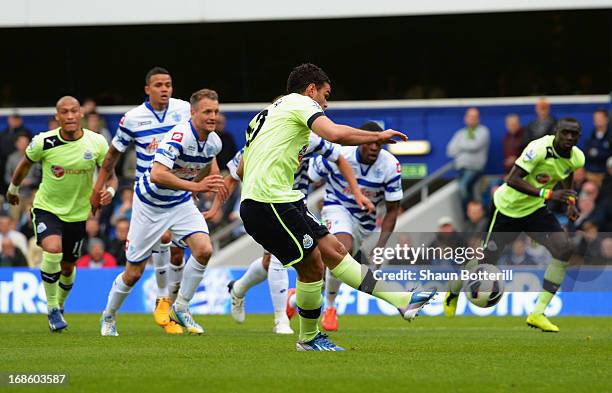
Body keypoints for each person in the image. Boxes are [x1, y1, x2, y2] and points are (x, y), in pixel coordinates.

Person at [238, 63, 436, 351]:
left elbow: (243, 168)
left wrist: (276, 168)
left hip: (281, 199)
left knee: (335, 252)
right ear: (310, 90)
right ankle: (308, 338)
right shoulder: (299, 103)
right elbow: (335, 134)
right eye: (325, 95)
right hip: (270, 202)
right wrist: (377, 136)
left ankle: (402, 300)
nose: (325, 103)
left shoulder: (266, 114)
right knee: (312, 267)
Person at [100, 88, 227, 337]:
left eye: (215, 111)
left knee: (204, 249)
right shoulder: (178, 137)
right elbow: (157, 174)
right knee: (133, 273)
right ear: (192, 113)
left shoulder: (214, 141)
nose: (212, 116)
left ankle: (181, 307)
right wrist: (195, 186)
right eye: (207, 112)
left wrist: (205, 193)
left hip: (179, 202)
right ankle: (109, 316)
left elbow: (208, 166)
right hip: (149, 205)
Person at [221, 129, 371, 334]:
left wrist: (355, 192)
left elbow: (338, 156)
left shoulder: (308, 138)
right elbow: (234, 174)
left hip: (296, 205)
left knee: (272, 261)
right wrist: (216, 208)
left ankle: (238, 288)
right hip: (265, 204)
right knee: (275, 258)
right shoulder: (260, 138)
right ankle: (281, 319)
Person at [444, 118, 584, 333]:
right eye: (565, 133)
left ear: (578, 136)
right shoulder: (538, 148)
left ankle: (537, 313)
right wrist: (550, 193)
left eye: (574, 134)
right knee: (486, 262)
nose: (569, 138)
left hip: (534, 210)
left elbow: (567, 172)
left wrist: (571, 203)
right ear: (556, 132)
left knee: (564, 249)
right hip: (506, 209)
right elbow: (512, 179)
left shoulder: (577, 157)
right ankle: (454, 290)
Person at [92, 66, 192, 334]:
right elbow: (113, 156)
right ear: (147, 89)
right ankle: (109, 315)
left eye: (168, 84)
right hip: (147, 197)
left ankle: (169, 306)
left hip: (178, 194)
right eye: (158, 85)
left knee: (189, 246)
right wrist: (99, 186)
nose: (164, 89)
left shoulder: (183, 110)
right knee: (134, 272)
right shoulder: (133, 118)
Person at [6, 96, 116, 332]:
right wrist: (13, 189)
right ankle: (52, 308)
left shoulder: (96, 142)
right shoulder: (43, 142)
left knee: (67, 267)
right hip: (47, 208)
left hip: (77, 214)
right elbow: (24, 164)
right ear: (57, 117)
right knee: (53, 249)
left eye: (73, 111)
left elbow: (111, 173)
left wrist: (110, 190)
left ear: (81, 115)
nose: (69, 116)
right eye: (64, 112)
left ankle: (61, 305)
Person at [307, 121, 403, 332]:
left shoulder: (390, 166)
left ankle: (297, 298)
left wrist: (381, 246)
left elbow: (393, 210)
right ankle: (330, 307)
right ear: (362, 141)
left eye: (379, 145)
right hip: (336, 207)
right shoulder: (340, 154)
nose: (374, 148)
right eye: (370, 143)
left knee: (341, 260)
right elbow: (307, 177)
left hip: (365, 223)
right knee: (342, 248)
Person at [446, 107, 490, 210]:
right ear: (465, 118)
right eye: (470, 116)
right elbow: (450, 150)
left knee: (463, 187)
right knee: (467, 192)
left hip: (475, 168)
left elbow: (474, 146)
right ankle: (471, 213)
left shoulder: (483, 131)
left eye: (474, 117)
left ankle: (470, 213)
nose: (472, 119)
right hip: (461, 168)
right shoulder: (460, 133)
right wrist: (466, 145)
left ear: (478, 119)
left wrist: (460, 146)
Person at [584, 109, 611, 186]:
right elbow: (587, 153)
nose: (598, 121)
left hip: (606, 174)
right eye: (596, 119)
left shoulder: (610, 136)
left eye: (600, 118)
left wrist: (597, 153)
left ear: (606, 119)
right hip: (590, 173)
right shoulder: (590, 136)